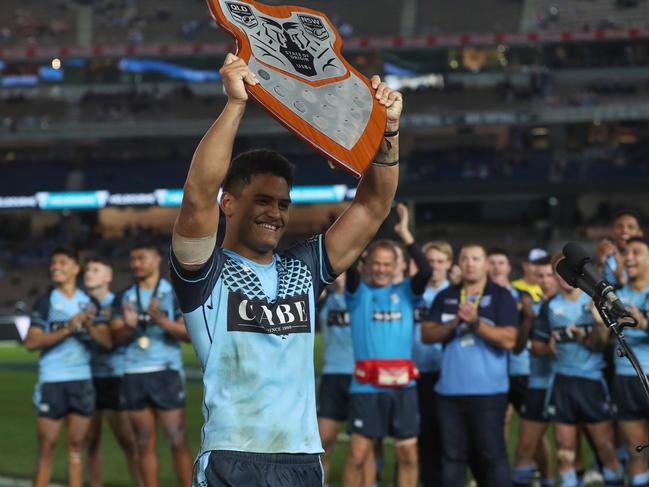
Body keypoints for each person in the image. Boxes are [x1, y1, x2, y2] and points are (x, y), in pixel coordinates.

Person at [168, 53, 402, 486]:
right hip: (232, 457)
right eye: (262, 200)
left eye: (283, 204)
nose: (275, 213)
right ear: (230, 204)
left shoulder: (303, 268)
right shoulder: (204, 274)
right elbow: (198, 194)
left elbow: (374, 206)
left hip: (303, 459)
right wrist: (235, 105)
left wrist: (388, 131)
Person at [342, 202, 432, 487]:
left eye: (387, 264)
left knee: (408, 454)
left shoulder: (406, 292)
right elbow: (349, 256)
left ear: (397, 267)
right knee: (358, 455)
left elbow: (427, 270)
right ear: (367, 265)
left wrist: (404, 233)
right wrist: (361, 220)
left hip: (402, 389)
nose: (381, 269)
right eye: (376, 264)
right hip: (366, 389)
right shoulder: (358, 293)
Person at [422, 243, 519, 487]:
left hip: (488, 393)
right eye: (465, 259)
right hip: (449, 394)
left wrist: (476, 323)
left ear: (486, 264)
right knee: (452, 458)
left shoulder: (501, 296)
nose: (469, 264)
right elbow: (427, 334)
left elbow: (509, 339)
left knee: (491, 457)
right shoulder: (447, 296)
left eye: (476, 259)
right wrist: (453, 323)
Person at [24, 247, 112, 487]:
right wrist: (70, 327)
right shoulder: (45, 301)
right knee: (47, 447)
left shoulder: (89, 303)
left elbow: (107, 342)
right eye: (53, 263)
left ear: (75, 269)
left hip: (81, 381)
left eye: (62, 262)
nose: (55, 267)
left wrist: (90, 325)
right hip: (52, 380)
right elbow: (31, 342)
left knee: (77, 450)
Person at [533, 259, 623, 487]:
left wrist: (596, 327)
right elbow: (537, 346)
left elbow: (601, 345)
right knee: (565, 452)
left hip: (592, 382)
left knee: (606, 449)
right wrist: (548, 347)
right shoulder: (549, 306)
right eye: (560, 273)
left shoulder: (595, 303)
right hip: (562, 383)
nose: (564, 278)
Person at [110, 242, 192, 487]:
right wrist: (128, 325)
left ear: (157, 260)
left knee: (177, 439)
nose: (136, 264)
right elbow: (114, 338)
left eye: (141, 258)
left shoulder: (174, 292)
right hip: (134, 373)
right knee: (143, 442)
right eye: (133, 259)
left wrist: (162, 321)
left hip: (165, 372)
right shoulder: (124, 297)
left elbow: (189, 334)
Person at [83, 256, 143, 487]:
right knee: (91, 441)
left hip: (116, 377)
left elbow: (112, 341)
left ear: (108, 277)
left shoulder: (120, 303)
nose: (89, 273)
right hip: (89, 378)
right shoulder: (81, 304)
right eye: (87, 269)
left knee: (128, 441)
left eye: (95, 269)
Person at [317, 273, 373, 487]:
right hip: (332, 376)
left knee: (363, 447)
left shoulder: (362, 297)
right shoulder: (323, 299)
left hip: (360, 377)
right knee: (322, 443)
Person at [512, 255, 559, 487]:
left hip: (568, 382)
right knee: (525, 448)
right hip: (538, 382)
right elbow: (518, 347)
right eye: (539, 276)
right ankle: (547, 482)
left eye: (549, 275)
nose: (545, 281)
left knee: (571, 448)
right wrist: (528, 320)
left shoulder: (572, 303)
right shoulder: (531, 307)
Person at [412, 240, 452, 487]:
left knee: (446, 433)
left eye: (439, 261)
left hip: (446, 373)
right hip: (414, 372)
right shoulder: (412, 292)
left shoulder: (456, 293)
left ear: (449, 264)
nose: (435, 266)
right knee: (418, 433)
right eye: (430, 262)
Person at [610, 237, 649, 487]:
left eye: (637, 252)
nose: (629, 257)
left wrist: (642, 322)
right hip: (625, 378)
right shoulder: (613, 297)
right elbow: (599, 342)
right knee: (637, 452)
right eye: (625, 253)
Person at [597, 209, 644, 286]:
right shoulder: (605, 253)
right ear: (612, 231)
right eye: (619, 226)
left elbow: (626, 284)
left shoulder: (645, 258)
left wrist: (618, 258)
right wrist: (600, 262)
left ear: (639, 233)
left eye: (631, 227)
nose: (624, 230)